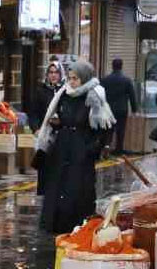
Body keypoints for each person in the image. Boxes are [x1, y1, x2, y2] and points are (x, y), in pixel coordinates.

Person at [36, 60, 114, 234]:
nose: (71, 82)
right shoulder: (64, 94)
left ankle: (78, 225)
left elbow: (105, 126)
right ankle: (56, 224)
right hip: (62, 147)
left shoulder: (94, 96)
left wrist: (92, 148)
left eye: (75, 79)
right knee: (57, 185)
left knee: (78, 188)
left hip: (81, 149)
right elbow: (63, 117)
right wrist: (57, 124)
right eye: (70, 78)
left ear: (84, 78)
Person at [29, 63, 61, 194]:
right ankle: (43, 193)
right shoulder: (40, 91)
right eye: (51, 72)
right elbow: (33, 113)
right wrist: (35, 128)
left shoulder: (64, 91)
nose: (53, 75)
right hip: (45, 134)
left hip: (60, 134)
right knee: (44, 166)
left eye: (56, 72)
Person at [101, 58, 139, 154]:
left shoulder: (105, 80)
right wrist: (134, 110)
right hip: (122, 109)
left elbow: (101, 94)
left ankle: (106, 147)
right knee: (120, 129)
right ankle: (119, 149)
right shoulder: (127, 80)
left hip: (108, 109)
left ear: (112, 66)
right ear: (121, 66)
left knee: (108, 129)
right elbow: (132, 96)